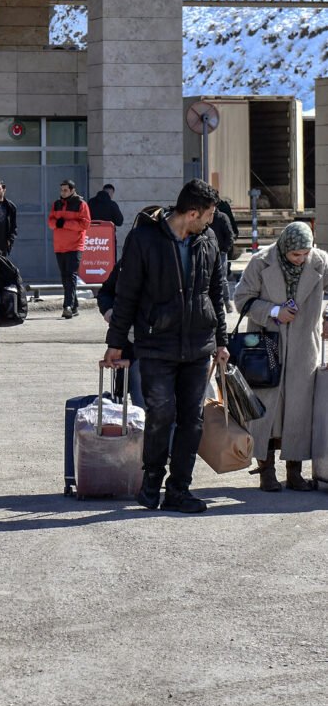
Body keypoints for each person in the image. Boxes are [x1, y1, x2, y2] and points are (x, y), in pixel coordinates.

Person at [103, 179, 230, 515]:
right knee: (161, 414)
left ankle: (179, 489)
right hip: (156, 344)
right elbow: (126, 294)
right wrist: (116, 343)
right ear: (192, 213)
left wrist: (222, 341)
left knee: (193, 419)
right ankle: (151, 482)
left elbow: (216, 293)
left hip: (198, 345)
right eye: (209, 214)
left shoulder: (208, 239)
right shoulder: (144, 239)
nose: (211, 221)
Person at [233, 221, 328, 492]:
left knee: (299, 410)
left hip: (303, 347)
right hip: (265, 347)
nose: (301, 259)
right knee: (266, 411)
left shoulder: (320, 261)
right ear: (285, 247)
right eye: (296, 254)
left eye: (305, 253)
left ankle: (294, 473)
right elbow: (241, 299)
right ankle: (267, 472)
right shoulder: (260, 261)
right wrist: (274, 312)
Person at [48, 179, 91, 319]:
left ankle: (67, 306)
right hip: (60, 246)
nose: (63, 192)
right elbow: (50, 222)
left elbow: (85, 224)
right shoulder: (56, 204)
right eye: (61, 190)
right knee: (65, 276)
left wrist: (64, 223)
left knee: (71, 275)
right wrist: (57, 223)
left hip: (75, 246)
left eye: (65, 190)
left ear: (72, 190)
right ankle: (74, 306)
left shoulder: (81, 204)